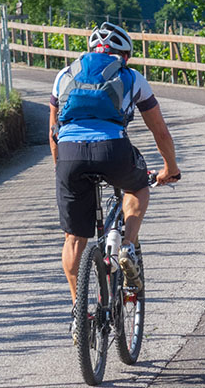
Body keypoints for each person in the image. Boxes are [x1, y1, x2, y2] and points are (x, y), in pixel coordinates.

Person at [49, 22, 181, 316]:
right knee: (137, 186)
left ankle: (78, 312)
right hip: (113, 149)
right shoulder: (131, 76)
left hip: (69, 155)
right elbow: (160, 132)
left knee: (73, 238)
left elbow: (53, 132)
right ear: (125, 55)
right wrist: (170, 168)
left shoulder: (63, 75)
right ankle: (128, 247)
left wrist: (62, 170)